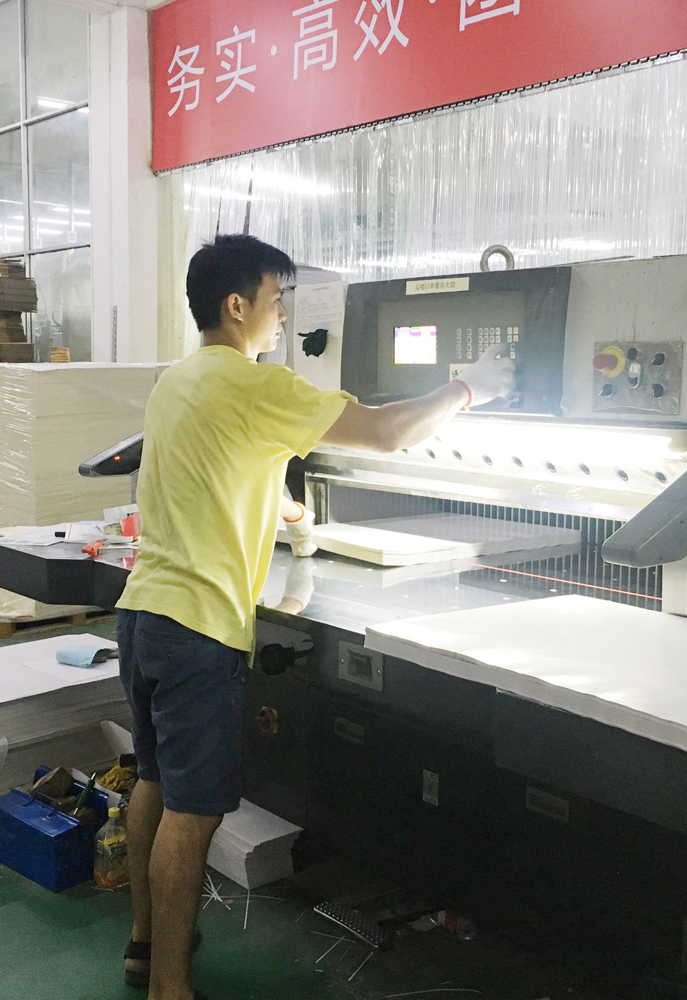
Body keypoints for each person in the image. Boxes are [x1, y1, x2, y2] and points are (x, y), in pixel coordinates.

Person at [115, 233, 514, 1000]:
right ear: (238, 306)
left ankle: (144, 946)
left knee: (154, 786)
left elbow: (242, 473)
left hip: (143, 616)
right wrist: (468, 389)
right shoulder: (258, 384)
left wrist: (301, 527)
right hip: (198, 630)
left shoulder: (178, 381)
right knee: (192, 816)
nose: (282, 316)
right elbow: (388, 433)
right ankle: (170, 987)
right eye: (276, 301)